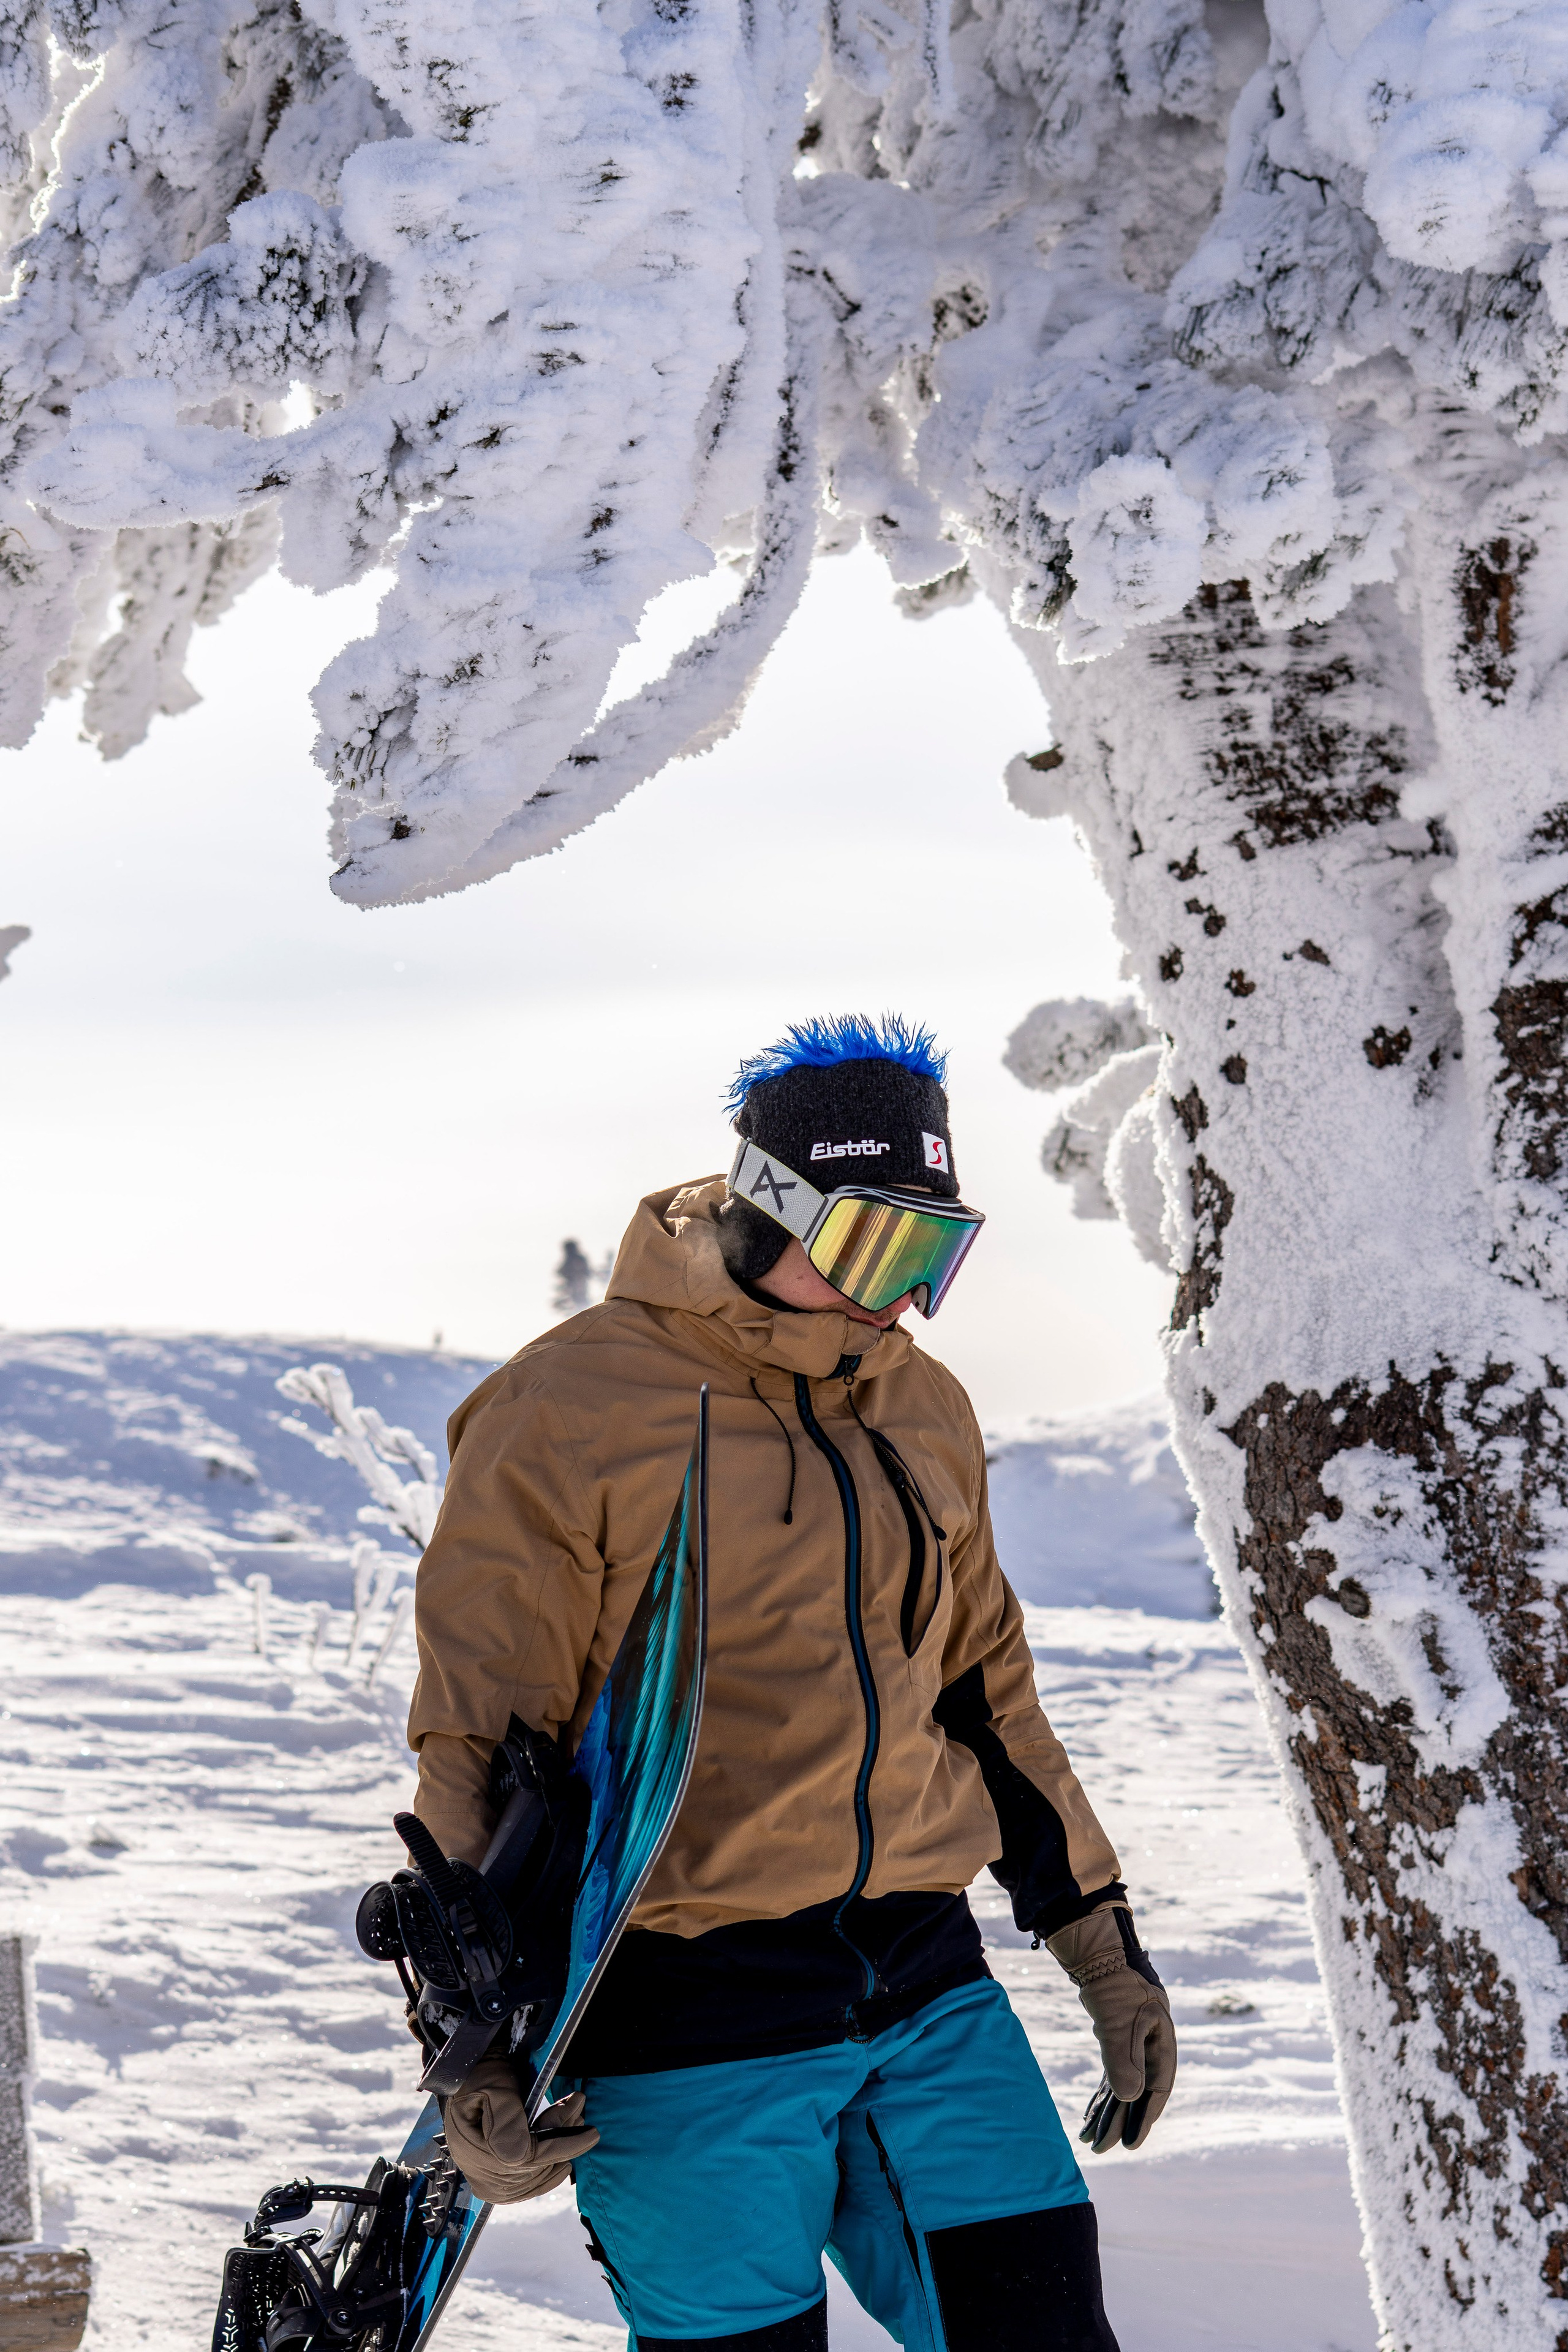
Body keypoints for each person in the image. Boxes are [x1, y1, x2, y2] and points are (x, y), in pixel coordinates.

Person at [409, 1016, 1176, 2352]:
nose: (902, 1298)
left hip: (925, 1982)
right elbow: (482, 1741)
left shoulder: (918, 1403)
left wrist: (1096, 1944)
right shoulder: (567, 1412)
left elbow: (984, 1692)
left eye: (933, 1255)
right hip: (684, 2014)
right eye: (877, 1248)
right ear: (771, 1211)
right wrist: (469, 2040)